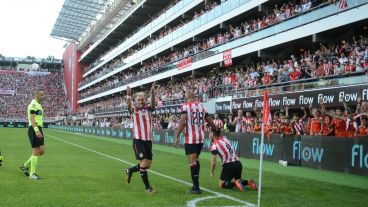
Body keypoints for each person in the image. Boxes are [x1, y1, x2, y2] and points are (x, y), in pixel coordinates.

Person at [173, 90, 218, 194]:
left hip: (191, 139)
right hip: (201, 138)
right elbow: (209, 120)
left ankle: (196, 188)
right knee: (195, 160)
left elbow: (183, 121)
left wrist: (177, 136)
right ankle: (195, 185)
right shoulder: (202, 107)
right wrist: (216, 128)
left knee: (192, 162)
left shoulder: (185, 106)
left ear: (187, 96)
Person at [125, 83, 157, 193]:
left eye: (142, 99)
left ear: (145, 99)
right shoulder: (133, 110)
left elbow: (153, 105)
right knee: (143, 164)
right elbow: (128, 106)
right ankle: (148, 187)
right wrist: (128, 96)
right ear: (135, 101)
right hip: (138, 141)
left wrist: (152, 93)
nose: (141, 101)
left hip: (148, 141)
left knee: (147, 165)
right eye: (138, 100)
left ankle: (130, 170)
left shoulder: (149, 109)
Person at [20, 89, 45, 180]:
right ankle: (32, 174)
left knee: (41, 151)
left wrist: (39, 130)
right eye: (41, 95)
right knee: (35, 152)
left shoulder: (38, 104)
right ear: (36, 95)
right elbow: (32, 119)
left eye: (43, 95)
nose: (43, 96)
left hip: (39, 128)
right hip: (34, 129)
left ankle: (25, 165)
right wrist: (36, 130)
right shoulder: (33, 105)